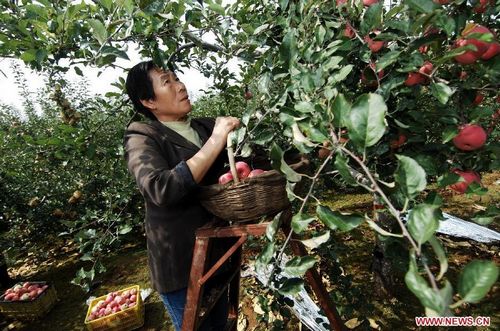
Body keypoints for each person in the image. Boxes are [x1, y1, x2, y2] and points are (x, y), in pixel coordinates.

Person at [124, 60, 240, 330]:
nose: (180, 86)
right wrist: (216, 140)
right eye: (167, 82)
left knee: (222, 325)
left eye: (177, 78)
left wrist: (307, 155)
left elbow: (250, 161)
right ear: (149, 101)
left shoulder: (204, 127)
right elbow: (160, 188)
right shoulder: (142, 136)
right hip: (181, 266)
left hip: (218, 255)